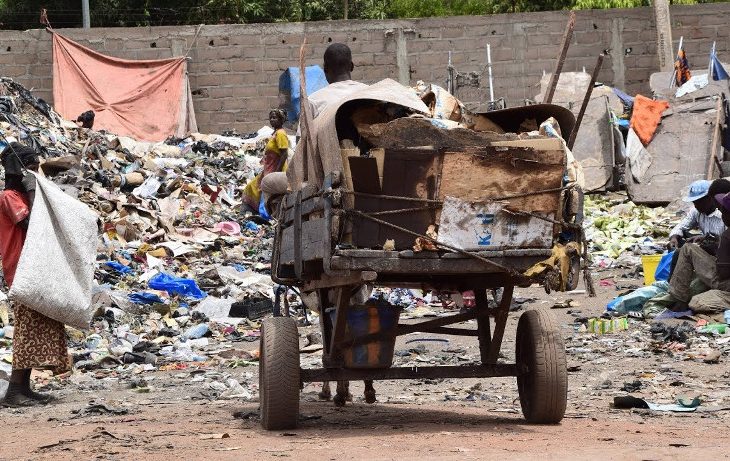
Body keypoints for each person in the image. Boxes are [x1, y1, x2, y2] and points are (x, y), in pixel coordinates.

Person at [0, 143, 69, 407]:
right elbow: (33, 224)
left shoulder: (21, 195)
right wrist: (32, 188)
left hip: (32, 268)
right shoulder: (9, 198)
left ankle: (24, 388)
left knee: (34, 328)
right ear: (19, 169)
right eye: (31, 167)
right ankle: (14, 392)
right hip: (21, 270)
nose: (36, 173)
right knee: (26, 332)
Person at [261, 43, 368, 209]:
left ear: (325, 69)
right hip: (369, 173)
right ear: (352, 66)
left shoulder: (314, 101)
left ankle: (289, 221)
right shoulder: (370, 94)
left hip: (326, 181)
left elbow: (301, 148)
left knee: (268, 183)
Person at [667, 179, 730, 315]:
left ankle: (680, 298)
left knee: (697, 302)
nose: (696, 205)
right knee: (685, 249)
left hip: (724, 278)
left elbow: (724, 272)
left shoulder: (725, 229)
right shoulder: (698, 212)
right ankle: (677, 296)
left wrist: (717, 247)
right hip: (721, 265)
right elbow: (682, 225)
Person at [666, 179, 727, 278]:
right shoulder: (696, 212)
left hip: (721, 255)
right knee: (679, 249)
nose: (696, 205)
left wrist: (707, 238)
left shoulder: (724, 214)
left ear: (710, 198)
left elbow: (724, 242)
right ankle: (673, 281)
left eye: (699, 202)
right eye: (694, 202)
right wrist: (674, 238)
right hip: (708, 250)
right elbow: (681, 226)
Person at [241, 109, 290, 214]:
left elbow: (284, 153)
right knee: (254, 187)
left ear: (281, 120)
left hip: (275, 167)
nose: (272, 120)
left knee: (263, 190)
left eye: (275, 117)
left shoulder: (281, 134)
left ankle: (265, 215)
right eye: (271, 118)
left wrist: (276, 172)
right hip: (269, 167)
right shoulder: (275, 133)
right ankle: (257, 212)